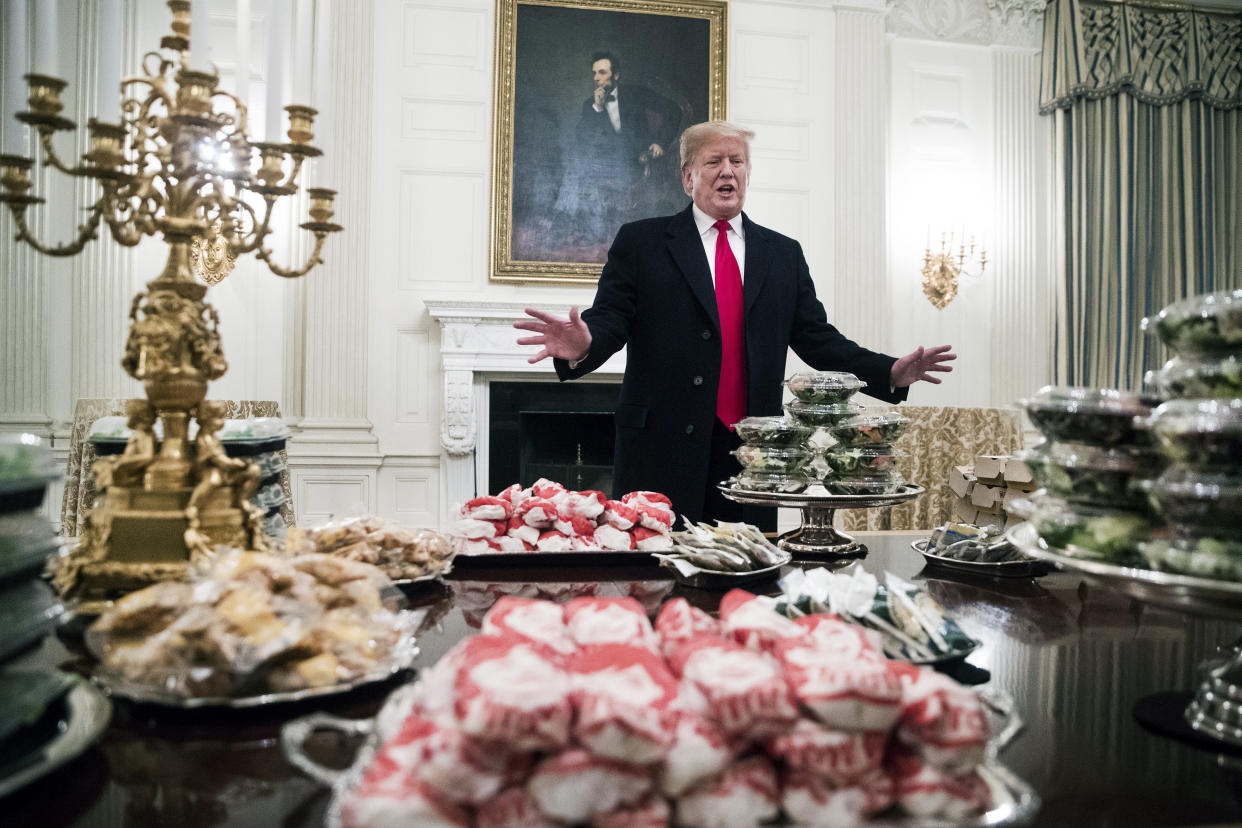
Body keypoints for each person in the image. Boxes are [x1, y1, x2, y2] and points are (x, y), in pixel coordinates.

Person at [516, 120, 955, 528]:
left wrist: (889, 371)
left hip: (754, 454)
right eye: (714, 162)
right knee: (661, 579)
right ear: (688, 176)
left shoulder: (782, 254)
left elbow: (819, 339)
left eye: (737, 162)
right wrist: (585, 342)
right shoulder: (643, 242)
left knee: (746, 581)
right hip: (661, 447)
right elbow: (612, 317)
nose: (728, 172)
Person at [553, 51, 685, 247]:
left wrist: (660, 142)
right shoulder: (590, 104)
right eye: (594, 73)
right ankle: (574, 224)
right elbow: (582, 139)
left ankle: (571, 223)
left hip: (636, 160)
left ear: (616, 75)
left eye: (602, 72)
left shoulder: (636, 94)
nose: (596, 78)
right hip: (605, 162)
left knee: (581, 169)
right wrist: (597, 108)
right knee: (577, 164)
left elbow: (673, 109)